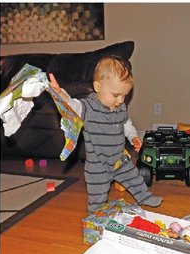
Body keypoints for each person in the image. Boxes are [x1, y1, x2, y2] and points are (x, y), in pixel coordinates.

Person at [48, 55, 162, 212]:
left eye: (124, 95)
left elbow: (126, 123)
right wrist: (60, 94)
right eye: (116, 95)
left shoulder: (120, 108)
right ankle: (95, 216)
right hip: (98, 166)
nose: (121, 100)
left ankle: (145, 196)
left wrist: (133, 136)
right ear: (98, 87)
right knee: (98, 197)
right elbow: (71, 107)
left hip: (119, 160)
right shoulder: (88, 108)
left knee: (134, 178)